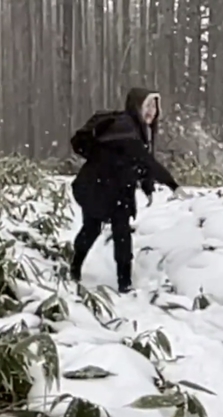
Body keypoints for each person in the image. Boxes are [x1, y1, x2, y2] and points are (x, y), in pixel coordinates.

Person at [69, 87, 181, 293]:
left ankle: (120, 281)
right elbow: (145, 160)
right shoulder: (125, 127)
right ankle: (82, 271)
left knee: (114, 232)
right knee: (100, 230)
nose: (151, 111)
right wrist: (172, 184)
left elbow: (138, 162)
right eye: (147, 105)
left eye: (154, 106)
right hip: (99, 187)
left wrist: (147, 186)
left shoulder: (136, 129)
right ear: (135, 106)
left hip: (114, 188)